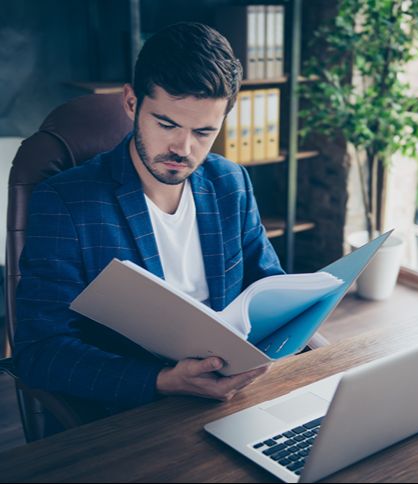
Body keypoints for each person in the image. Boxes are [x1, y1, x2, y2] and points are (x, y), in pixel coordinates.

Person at [13, 22, 285, 433]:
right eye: (167, 124)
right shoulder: (66, 203)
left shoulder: (231, 182)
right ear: (130, 102)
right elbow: (40, 352)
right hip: (131, 414)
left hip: (232, 399)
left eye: (204, 132)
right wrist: (162, 382)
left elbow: (270, 287)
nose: (184, 148)